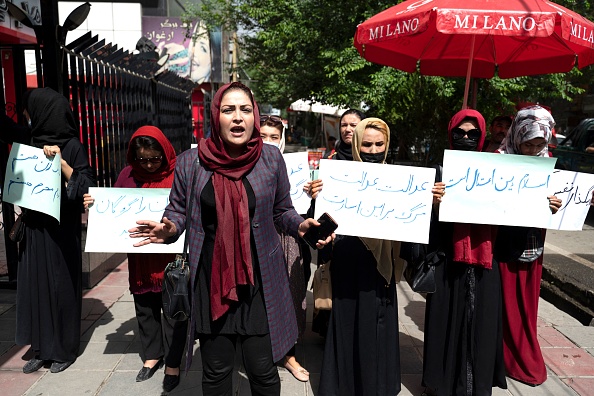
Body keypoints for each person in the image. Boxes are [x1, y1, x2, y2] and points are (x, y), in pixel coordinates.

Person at [127, 82, 332, 395]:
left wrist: (300, 226)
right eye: (229, 110)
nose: (238, 117)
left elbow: (281, 211)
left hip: (260, 280)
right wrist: (168, 230)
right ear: (215, 116)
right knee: (217, 370)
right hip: (211, 279)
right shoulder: (189, 163)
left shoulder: (271, 160)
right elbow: (178, 212)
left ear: (255, 117)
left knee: (263, 370)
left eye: (245, 110)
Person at [83, 126, 187, 392]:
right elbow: (113, 207)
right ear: (133, 156)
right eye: (143, 159)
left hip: (171, 259)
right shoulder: (127, 175)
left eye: (155, 158)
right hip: (140, 257)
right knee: (145, 306)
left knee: (174, 312)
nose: (150, 165)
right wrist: (94, 204)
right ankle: (152, 356)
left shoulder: (180, 175)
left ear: (165, 153)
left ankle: (173, 363)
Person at [2, 88, 96, 374]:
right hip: (34, 230)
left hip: (61, 231)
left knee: (62, 288)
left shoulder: (71, 145)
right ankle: (41, 348)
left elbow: (86, 187)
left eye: (31, 111)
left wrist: (63, 165)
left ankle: (63, 350)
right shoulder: (30, 141)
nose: (28, 117)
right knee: (36, 288)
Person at [422, 109, 507, 395]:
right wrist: (433, 205)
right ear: (450, 134)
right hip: (448, 259)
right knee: (445, 323)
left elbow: (512, 216)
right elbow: (421, 226)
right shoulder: (438, 171)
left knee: (482, 325)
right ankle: (441, 384)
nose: (466, 138)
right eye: (460, 133)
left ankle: (477, 386)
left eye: (473, 134)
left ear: (482, 135)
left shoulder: (499, 171)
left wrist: (544, 207)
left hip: (486, 260)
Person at [318, 118, 403, 395]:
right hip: (348, 260)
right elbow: (319, 227)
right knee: (347, 324)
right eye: (366, 144)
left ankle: (376, 385)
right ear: (355, 144)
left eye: (379, 144)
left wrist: (431, 202)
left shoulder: (401, 180)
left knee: (376, 324)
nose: (373, 150)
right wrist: (315, 198)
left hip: (381, 267)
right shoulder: (339, 177)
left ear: (387, 144)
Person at [495, 105, 562, 386]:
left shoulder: (549, 164)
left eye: (540, 144)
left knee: (525, 306)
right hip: (501, 245)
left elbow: (559, 205)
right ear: (516, 137)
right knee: (502, 304)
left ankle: (522, 355)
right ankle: (500, 356)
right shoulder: (497, 161)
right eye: (528, 143)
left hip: (532, 245)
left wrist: (556, 204)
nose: (534, 150)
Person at [260, 114, 310, 382]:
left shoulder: (293, 165)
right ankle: (261, 349)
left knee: (292, 292)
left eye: (274, 137)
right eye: (262, 136)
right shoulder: (244, 164)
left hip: (288, 237)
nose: (268, 142)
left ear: (282, 141)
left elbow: (298, 209)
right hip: (257, 237)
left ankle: (289, 353)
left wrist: (312, 194)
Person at [307, 109, 365, 337]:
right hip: (334, 239)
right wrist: (312, 193)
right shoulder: (328, 161)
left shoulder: (374, 160)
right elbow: (317, 204)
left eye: (353, 125)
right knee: (332, 287)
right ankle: (331, 335)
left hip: (362, 239)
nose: (348, 129)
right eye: (344, 125)